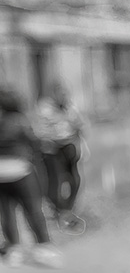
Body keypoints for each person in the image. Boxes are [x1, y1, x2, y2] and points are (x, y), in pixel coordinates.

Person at [0, 84, 64, 268]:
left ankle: (14, 250)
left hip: (1, 173)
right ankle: (43, 248)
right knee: (33, 209)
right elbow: (34, 142)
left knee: (6, 213)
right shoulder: (20, 121)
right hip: (21, 171)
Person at [34, 80, 86, 226]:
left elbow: (81, 126)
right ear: (54, 95)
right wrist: (57, 136)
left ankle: (68, 208)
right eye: (61, 94)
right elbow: (39, 132)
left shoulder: (71, 108)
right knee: (55, 181)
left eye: (65, 94)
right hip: (52, 151)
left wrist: (75, 130)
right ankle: (58, 209)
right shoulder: (44, 109)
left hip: (69, 147)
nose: (64, 97)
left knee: (75, 180)